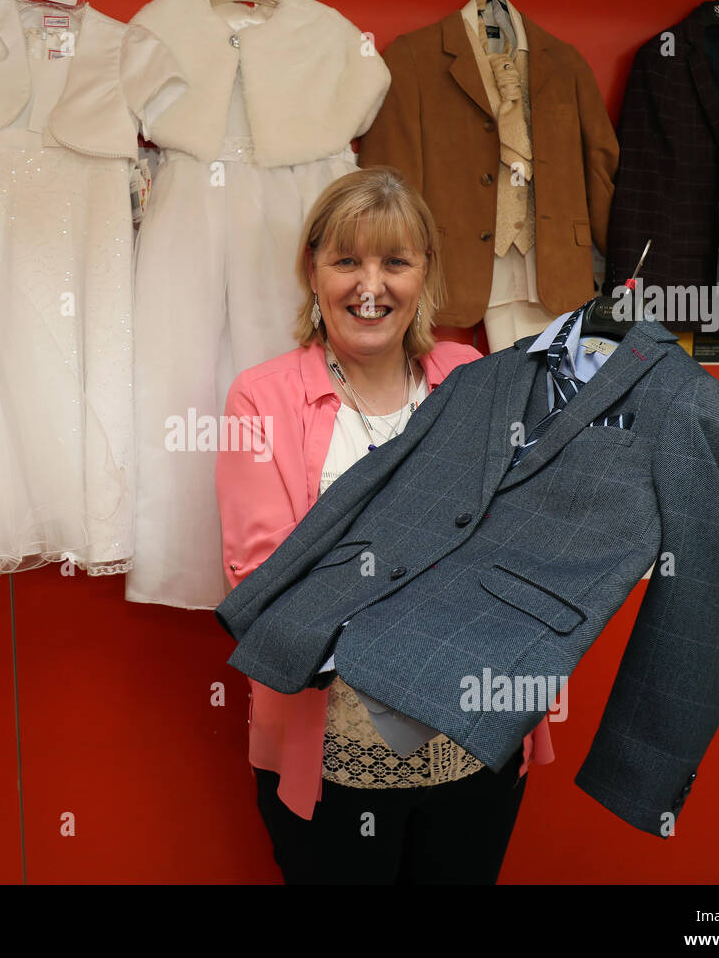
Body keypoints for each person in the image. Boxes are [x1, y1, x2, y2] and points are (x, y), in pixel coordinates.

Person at [215, 167, 554, 884]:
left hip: (473, 744)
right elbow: (265, 579)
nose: (371, 285)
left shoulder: (471, 375)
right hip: (332, 755)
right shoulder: (262, 398)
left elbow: (516, 550)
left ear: (424, 273)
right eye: (347, 261)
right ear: (313, 270)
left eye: (395, 262)